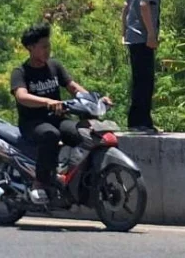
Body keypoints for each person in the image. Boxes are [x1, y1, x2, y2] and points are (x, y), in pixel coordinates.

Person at [10, 22, 112, 204]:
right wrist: (48, 102)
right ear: (31, 48)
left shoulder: (54, 66)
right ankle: (39, 182)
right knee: (50, 134)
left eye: (48, 46)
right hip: (32, 123)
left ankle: (68, 177)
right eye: (43, 47)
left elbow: (73, 87)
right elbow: (22, 96)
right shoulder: (21, 72)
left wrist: (94, 100)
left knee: (81, 134)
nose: (47, 50)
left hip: (57, 118)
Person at [122, 0, 170, 134]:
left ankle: (136, 120)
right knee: (145, 80)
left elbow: (126, 7)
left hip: (132, 35)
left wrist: (123, 31)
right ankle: (141, 122)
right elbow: (144, 4)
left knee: (139, 79)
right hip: (142, 36)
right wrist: (151, 34)